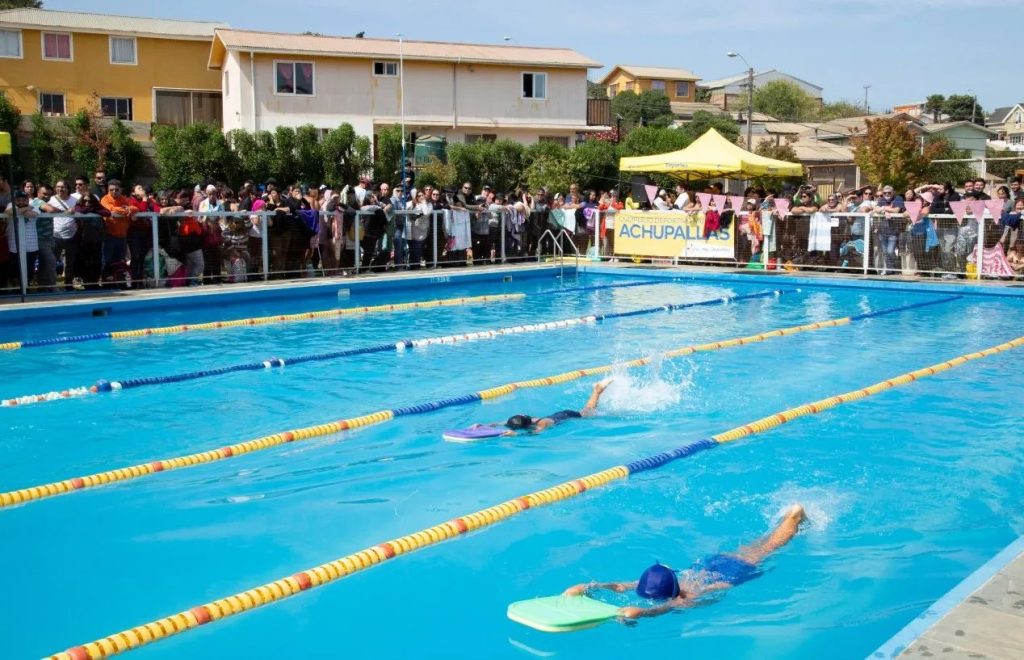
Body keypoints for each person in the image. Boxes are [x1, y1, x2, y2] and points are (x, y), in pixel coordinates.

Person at [562, 505, 807, 619]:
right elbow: (618, 585)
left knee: (768, 546)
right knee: (756, 546)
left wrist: (642, 613)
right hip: (711, 564)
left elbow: (664, 608)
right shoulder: (669, 583)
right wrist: (589, 587)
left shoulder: (688, 598)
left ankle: (794, 518)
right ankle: (789, 518)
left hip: (731, 573)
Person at [497, 378, 612, 434]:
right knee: (587, 409)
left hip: (569, 415)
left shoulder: (543, 423)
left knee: (588, 411)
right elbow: (503, 423)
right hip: (561, 414)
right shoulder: (528, 419)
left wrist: (515, 435)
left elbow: (537, 432)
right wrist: (488, 426)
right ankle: (596, 390)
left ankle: (597, 391)